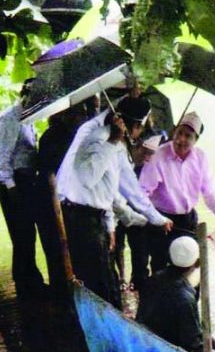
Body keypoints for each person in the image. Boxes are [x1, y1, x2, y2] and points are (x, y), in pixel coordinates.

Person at [56, 96, 173, 308]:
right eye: (140, 129)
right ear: (135, 126)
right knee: (98, 287)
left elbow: (125, 188)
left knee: (108, 286)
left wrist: (156, 218)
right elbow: (88, 178)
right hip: (81, 218)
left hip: (97, 217)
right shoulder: (96, 136)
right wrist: (111, 142)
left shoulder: (117, 143)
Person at [139, 111, 215, 271]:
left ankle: (191, 296)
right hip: (162, 221)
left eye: (188, 136)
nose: (181, 140)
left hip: (187, 220)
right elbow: (142, 192)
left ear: (196, 140)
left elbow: (211, 194)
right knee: (160, 268)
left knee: (191, 268)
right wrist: (154, 218)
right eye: (179, 133)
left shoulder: (200, 158)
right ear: (174, 131)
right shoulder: (158, 156)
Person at [136, 236, 215, 352]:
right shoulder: (184, 296)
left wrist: (214, 341)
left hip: (145, 340)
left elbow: (189, 326)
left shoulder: (154, 278)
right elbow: (195, 348)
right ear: (198, 263)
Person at [33, 96, 101, 292]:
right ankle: (62, 293)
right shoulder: (52, 138)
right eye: (79, 112)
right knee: (57, 251)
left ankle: (76, 289)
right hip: (52, 202)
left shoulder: (83, 137)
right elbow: (50, 174)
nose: (83, 117)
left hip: (73, 204)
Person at [0, 83, 47, 298]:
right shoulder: (9, 119)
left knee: (27, 236)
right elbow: (1, 156)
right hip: (14, 183)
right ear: (23, 96)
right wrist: (11, 187)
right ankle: (25, 283)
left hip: (25, 181)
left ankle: (30, 279)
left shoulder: (28, 120)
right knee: (21, 235)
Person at [114, 132, 161, 292]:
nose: (147, 158)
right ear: (135, 144)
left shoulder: (143, 164)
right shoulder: (118, 157)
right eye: (145, 152)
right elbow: (117, 198)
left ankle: (139, 282)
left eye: (150, 154)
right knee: (116, 244)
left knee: (140, 248)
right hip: (117, 210)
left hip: (137, 207)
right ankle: (121, 278)